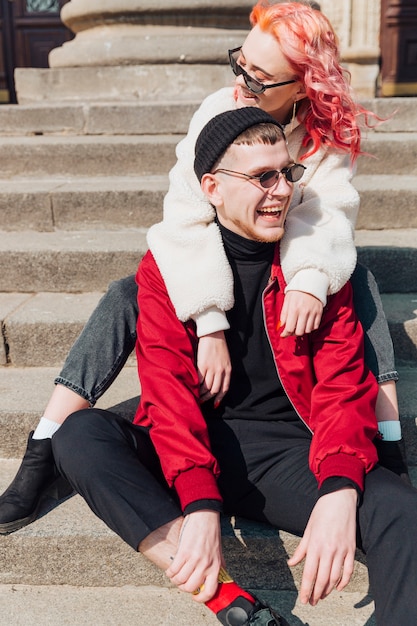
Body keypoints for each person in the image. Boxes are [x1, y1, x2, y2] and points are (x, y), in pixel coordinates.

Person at [0, 0, 407, 535]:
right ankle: (42, 449)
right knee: (129, 292)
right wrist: (210, 320)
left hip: (291, 255)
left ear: (304, 87)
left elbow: (327, 219)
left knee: (355, 280)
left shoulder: (326, 135)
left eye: (261, 78)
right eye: (240, 62)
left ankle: (392, 446)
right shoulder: (218, 108)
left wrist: (310, 282)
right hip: (218, 256)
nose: (242, 82)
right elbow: (184, 217)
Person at [52, 108, 417, 626]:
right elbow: (167, 389)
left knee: (402, 513)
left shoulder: (314, 260)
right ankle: (231, 603)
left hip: (289, 449)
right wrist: (200, 503)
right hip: (201, 435)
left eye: (286, 173)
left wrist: (339, 488)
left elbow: (343, 384)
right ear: (212, 187)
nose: (280, 191)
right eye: (260, 177)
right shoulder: (170, 266)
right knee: (80, 435)